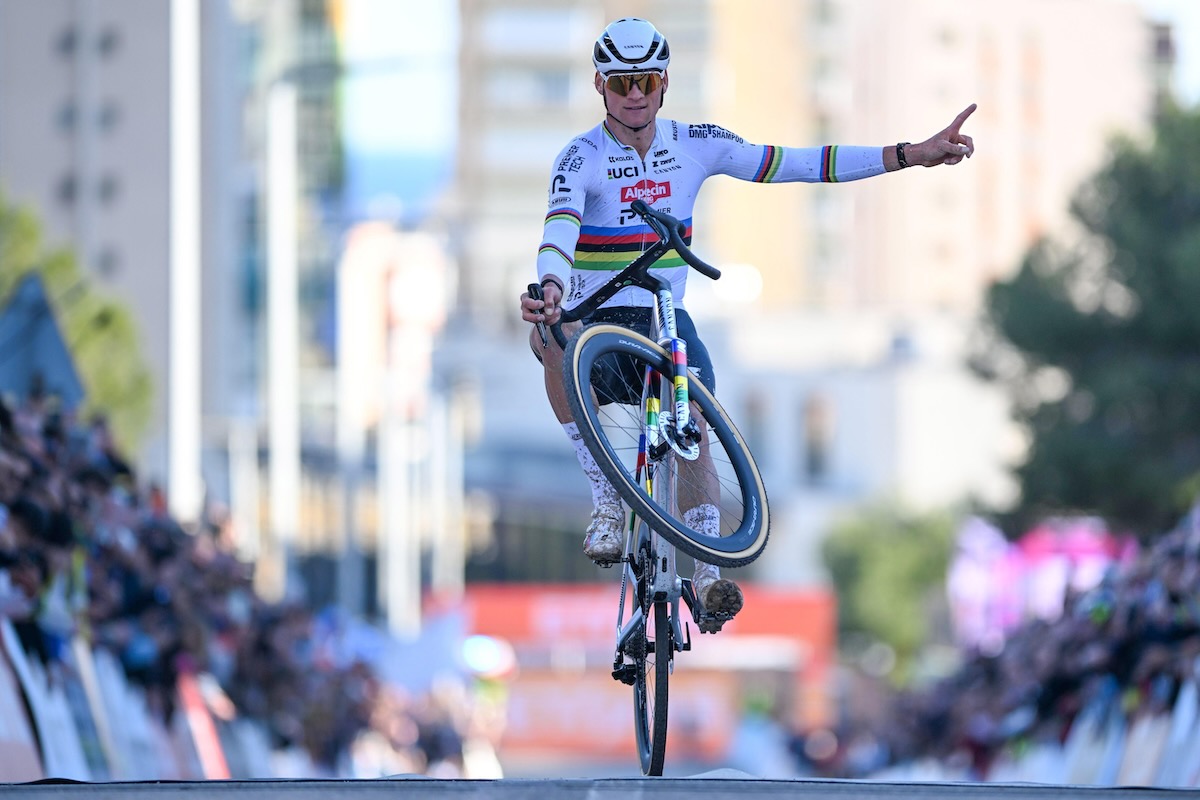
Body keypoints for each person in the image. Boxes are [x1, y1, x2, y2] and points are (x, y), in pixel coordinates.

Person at [519, 17, 975, 630]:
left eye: (646, 81)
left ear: (664, 82)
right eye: (622, 82)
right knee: (546, 336)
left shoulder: (696, 143)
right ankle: (604, 499)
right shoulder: (581, 157)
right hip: (592, 316)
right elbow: (559, 230)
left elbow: (798, 163)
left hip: (661, 315)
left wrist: (908, 156)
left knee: (695, 420)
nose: (635, 94)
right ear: (600, 85)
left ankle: (708, 573)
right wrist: (550, 287)